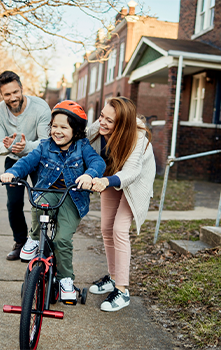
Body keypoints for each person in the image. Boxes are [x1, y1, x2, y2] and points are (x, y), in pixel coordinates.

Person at [0, 101, 106, 302]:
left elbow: (97, 162)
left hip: (71, 198)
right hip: (48, 191)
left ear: (76, 131)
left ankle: (66, 280)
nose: (57, 131)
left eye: (64, 127)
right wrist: (12, 173)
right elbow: (26, 162)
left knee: (61, 240)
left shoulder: (82, 146)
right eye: (54, 126)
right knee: (39, 204)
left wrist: (89, 175)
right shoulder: (44, 146)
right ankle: (33, 238)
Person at [87, 96, 156, 312]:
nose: (102, 123)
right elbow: (79, 138)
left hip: (134, 182)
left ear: (123, 124)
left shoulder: (138, 137)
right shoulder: (99, 127)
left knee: (119, 229)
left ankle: (123, 290)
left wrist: (105, 181)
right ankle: (113, 277)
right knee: (106, 227)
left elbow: (132, 172)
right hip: (109, 175)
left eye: (110, 121)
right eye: (101, 116)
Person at [0, 71, 51, 260]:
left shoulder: (40, 107)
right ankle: (20, 242)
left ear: (22, 88)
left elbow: (46, 142)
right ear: (2, 95)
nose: (12, 97)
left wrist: (26, 147)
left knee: (41, 202)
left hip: (38, 159)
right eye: (7, 94)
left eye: (15, 92)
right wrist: (7, 146)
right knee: (14, 203)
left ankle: (40, 243)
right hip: (14, 161)